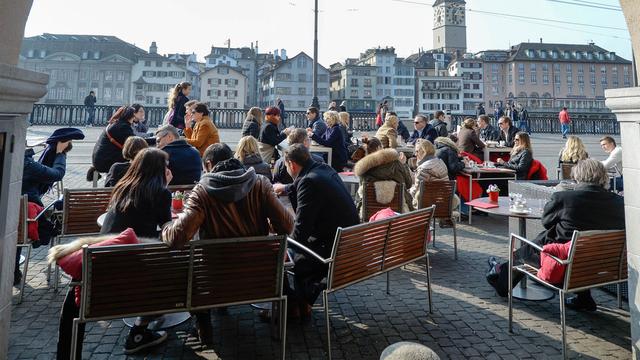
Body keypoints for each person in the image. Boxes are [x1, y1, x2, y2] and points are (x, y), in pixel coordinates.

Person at [162, 143, 294, 325]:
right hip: (259, 273)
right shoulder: (260, 184)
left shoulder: (201, 192)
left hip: (214, 276)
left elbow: (177, 239)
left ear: (208, 165)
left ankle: (205, 330)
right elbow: (287, 226)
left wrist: (166, 226)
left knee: (186, 267)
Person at [487, 159, 625, 311]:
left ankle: (500, 282)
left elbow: (546, 221)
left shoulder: (565, 198)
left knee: (523, 253)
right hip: (602, 264)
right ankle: (584, 299)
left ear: (577, 176)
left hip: (561, 263)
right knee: (580, 249)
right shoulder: (619, 203)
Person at [99, 148, 173, 353]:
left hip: (104, 257)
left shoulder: (123, 187)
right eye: (166, 166)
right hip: (131, 263)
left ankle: (155, 312)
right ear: (159, 169)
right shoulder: (159, 192)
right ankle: (139, 332)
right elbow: (167, 227)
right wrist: (166, 187)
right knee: (174, 263)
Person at [284, 144, 359, 317]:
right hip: (348, 242)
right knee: (297, 251)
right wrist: (287, 188)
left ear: (292, 165)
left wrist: (284, 244)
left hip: (333, 250)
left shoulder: (308, 182)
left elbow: (300, 233)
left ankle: (293, 308)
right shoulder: (323, 168)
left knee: (287, 257)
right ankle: (301, 304)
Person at [17, 138, 73, 285]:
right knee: (23, 221)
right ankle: (13, 270)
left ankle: (14, 270)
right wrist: (60, 153)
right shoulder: (27, 164)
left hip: (16, 218)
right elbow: (57, 174)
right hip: (24, 221)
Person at [101, 148, 172, 239]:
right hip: (134, 246)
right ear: (159, 168)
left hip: (105, 244)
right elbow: (166, 225)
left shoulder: (123, 186)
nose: (167, 168)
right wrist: (164, 186)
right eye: (166, 164)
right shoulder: (161, 193)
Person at [353, 139, 414, 219]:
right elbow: (408, 184)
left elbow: (360, 196)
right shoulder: (396, 164)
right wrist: (404, 165)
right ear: (379, 147)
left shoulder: (363, 171)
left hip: (369, 215)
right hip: (399, 212)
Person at [409, 139, 457, 213]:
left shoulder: (423, 168)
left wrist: (407, 192)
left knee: (404, 199)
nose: (415, 154)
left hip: (426, 205)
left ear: (424, 152)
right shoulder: (440, 162)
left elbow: (416, 190)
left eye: (417, 151)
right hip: (444, 202)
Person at [91, 106, 136, 173]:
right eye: (134, 115)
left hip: (99, 160)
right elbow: (135, 142)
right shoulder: (123, 127)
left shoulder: (116, 124)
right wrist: (154, 140)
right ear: (131, 116)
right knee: (136, 162)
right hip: (105, 162)